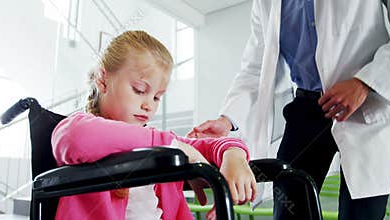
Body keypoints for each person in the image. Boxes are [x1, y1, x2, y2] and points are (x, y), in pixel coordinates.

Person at [188, 0, 390, 219]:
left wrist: (365, 82)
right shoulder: (264, 4)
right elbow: (255, 68)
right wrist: (227, 120)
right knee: (289, 208)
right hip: (306, 110)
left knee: (362, 213)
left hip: (365, 104)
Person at [51, 30, 257, 220]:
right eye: (139, 90)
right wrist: (173, 145)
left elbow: (213, 145)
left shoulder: (160, 141)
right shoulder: (79, 127)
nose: (148, 105)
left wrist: (234, 155)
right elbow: (75, 138)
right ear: (103, 80)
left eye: (157, 97)